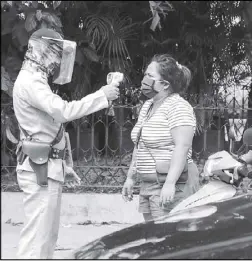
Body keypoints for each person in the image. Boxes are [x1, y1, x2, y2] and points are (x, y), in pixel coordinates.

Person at [13, 28, 122, 259]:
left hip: (45, 166)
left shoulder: (34, 80)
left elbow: (50, 129)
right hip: (39, 168)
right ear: (42, 52)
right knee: (37, 240)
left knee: (45, 238)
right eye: (55, 53)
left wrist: (63, 166)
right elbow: (63, 112)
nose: (58, 61)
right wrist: (101, 96)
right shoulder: (31, 82)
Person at [122, 54, 200, 221]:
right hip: (147, 185)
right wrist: (130, 177)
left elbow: (182, 146)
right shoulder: (148, 106)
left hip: (169, 185)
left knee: (165, 240)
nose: (145, 79)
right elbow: (139, 144)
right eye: (145, 74)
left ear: (165, 84)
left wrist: (170, 183)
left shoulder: (178, 107)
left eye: (150, 76)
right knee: (152, 238)